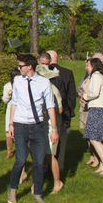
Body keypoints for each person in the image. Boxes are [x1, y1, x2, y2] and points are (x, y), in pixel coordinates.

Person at [7, 54, 58, 203]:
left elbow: (50, 106)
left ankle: (38, 194)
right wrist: (11, 124)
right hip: (21, 125)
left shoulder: (43, 83)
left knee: (39, 162)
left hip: (38, 127)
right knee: (21, 159)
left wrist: (54, 129)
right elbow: (14, 102)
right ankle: (13, 189)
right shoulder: (17, 81)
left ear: (29, 66)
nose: (18, 68)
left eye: (20, 66)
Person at [36, 64, 65, 193]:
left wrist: (48, 110)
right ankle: (38, 182)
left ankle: (57, 182)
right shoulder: (36, 88)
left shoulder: (53, 90)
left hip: (50, 126)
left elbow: (59, 109)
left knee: (50, 155)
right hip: (39, 125)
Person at [82, 58, 103, 176]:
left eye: (88, 66)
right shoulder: (100, 76)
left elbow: (94, 93)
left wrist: (85, 96)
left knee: (94, 139)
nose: (86, 68)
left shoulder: (95, 76)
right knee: (102, 140)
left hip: (98, 110)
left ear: (93, 66)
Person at [47, 49, 76, 175]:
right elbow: (72, 95)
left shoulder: (42, 73)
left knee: (49, 141)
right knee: (62, 141)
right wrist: (69, 110)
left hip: (48, 113)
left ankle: (50, 168)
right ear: (57, 58)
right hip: (64, 111)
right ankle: (60, 165)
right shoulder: (67, 72)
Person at [2, 69, 21, 159]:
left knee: (18, 132)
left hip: (20, 109)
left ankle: (20, 150)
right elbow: (5, 100)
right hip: (10, 109)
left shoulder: (23, 84)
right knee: (8, 131)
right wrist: (9, 94)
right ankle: (9, 151)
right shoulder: (7, 86)